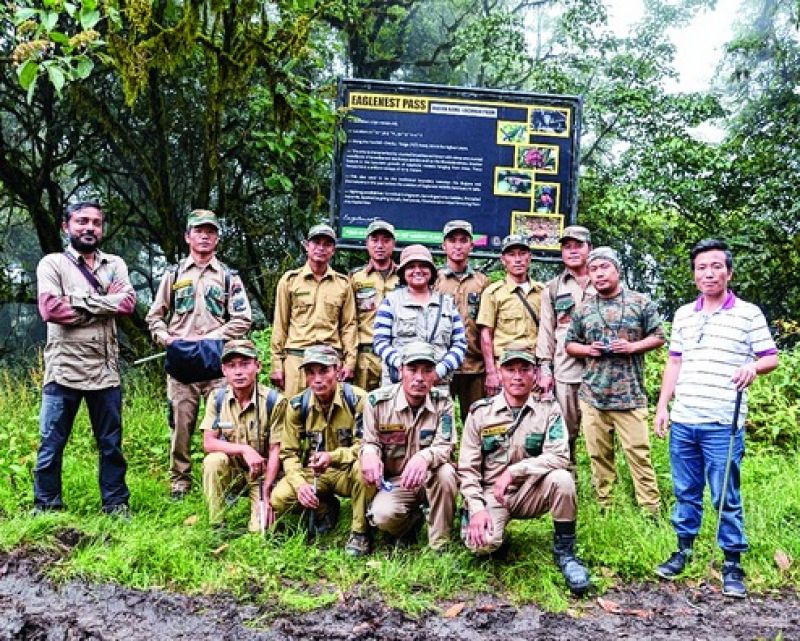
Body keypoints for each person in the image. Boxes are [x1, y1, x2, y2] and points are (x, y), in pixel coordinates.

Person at [653, 239, 779, 598]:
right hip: (685, 420)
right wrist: (663, 406)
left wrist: (752, 366)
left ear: (728, 272)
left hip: (723, 422)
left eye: (715, 266)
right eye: (701, 267)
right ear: (694, 274)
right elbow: (674, 361)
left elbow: (771, 356)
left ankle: (732, 563)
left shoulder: (748, 313)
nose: (708, 273)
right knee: (686, 491)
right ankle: (683, 550)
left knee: (725, 496)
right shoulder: (683, 314)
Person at [458, 347, 591, 595]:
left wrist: (516, 470)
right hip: (492, 495)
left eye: (524, 370)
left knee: (562, 479)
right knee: (483, 546)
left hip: (531, 490)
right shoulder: (480, 412)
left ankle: (566, 553)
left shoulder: (549, 408)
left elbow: (561, 455)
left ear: (534, 374)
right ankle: (478, 523)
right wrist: (476, 508)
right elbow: (467, 468)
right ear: (500, 373)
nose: (517, 376)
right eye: (510, 369)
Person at [33, 201, 136, 515]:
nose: (90, 228)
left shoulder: (115, 264)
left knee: (111, 445)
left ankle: (116, 504)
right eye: (82, 221)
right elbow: (51, 310)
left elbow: (129, 303)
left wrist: (77, 302)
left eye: (96, 222)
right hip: (63, 371)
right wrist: (105, 301)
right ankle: (47, 506)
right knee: (51, 445)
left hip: (106, 372)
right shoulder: (52, 264)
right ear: (66, 226)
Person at [146, 209, 252, 500]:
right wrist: (165, 337)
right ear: (188, 236)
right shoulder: (173, 275)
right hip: (182, 363)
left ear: (217, 237)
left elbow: (243, 318)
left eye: (210, 231)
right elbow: (155, 315)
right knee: (181, 425)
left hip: (216, 363)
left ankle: (228, 479)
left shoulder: (229, 277)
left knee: (225, 425)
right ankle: (180, 482)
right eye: (198, 230)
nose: (204, 236)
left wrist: (211, 337)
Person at [565, 247, 664, 515]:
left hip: (630, 396)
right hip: (594, 395)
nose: (599, 274)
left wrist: (633, 347)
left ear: (617, 270)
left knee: (639, 455)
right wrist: (588, 350)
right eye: (593, 269)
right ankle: (605, 505)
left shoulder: (640, 302)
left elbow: (659, 336)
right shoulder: (583, 309)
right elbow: (570, 344)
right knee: (598, 456)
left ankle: (650, 509)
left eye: (604, 268)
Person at [270, 345, 375, 556]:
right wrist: (300, 486)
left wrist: (333, 456)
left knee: (364, 467)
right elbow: (288, 453)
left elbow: (366, 446)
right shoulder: (298, 406)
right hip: (316, 473)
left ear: (337, 370)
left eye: (324, 371)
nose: (317, 379)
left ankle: (360, 532)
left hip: (347, 470)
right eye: (310, 372)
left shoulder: (358, 399)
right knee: (279, 498)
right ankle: (325, 508)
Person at [360, 341, 458, 551]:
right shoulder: (377, 402)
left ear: (435, 374)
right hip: (396, 481)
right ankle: (410, 524)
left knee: (447, 473)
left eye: (427, 371)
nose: (420, 378)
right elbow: (370, 441)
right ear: (400, 370)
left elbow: (445, 445)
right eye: (412, 370)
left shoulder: (443, 403)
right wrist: (368, 453)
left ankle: (440, 543)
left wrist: (424, 457)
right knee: (383, 516)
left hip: (429, 478)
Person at [199, 339, 286, 532]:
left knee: (260, 531)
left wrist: (267, 494)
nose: (238, 372)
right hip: (234, 471)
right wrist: (244, 449)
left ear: (257, 366)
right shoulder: (217, 398)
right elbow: (208, 442)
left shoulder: (274, 401)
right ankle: (217, 524)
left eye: (245, 364)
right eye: (232, 366)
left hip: (262, 475)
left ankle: (261, 506)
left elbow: (275, 451)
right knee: (213, 461)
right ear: (224, 370)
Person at [270, 224, 357, 397]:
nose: (321, 248)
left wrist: (349, 362)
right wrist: (277, 365)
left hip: (330, 360)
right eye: (316, 243)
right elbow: (280, 324)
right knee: (292, 414)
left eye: (327, 244)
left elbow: (349, 325)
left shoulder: (343, 284)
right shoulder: (290, 281)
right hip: (297, 358)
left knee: (330, 416)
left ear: (333, 249)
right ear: (306, 246)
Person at [536, 226, 595, 463]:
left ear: (589, 248)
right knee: (565, 432)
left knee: (598, 433)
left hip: (599, 369)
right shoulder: (553, 288)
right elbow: (546, 331)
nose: (572, 251)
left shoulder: (602, 280)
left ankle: (603, 492)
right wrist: (544, 369)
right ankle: (567, 481)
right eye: (567, 247)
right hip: (565, 370)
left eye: (578, 246)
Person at [374, 244, 466, 390]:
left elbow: (460, 344)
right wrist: (402, 366)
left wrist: (439, 371)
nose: (417, 271)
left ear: (431, 271)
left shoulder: (447, 304)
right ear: (403, 272)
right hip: (398, 385)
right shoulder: (391, 302)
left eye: (423, 266)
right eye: (411, 266)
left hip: (437, 385)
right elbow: (380, 342)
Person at [434, 220, 490, 420]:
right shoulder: (434, 280)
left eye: (463, 240)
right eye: (452, 240)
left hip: (474, 366)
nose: (458, 246)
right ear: (444, 245)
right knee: (439, 422)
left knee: (476, 422)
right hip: (441, 365)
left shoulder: (482, 282)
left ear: (471, 245)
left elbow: (487, 326)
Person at [478, 234, 544, 397]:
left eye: (522, 253)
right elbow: (486, 335)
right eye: (512, 254)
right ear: (503, 259)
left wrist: (544, 369)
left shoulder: (543, 292)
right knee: (502, 418)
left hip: (534, 368)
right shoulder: (493, 293)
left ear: (529, 257)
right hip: (505, 367)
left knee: (535, 417)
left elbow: (549, 334)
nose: (518, 259)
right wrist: (491, 372)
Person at [349, 220, 399, 392]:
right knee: (362, 411)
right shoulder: (355, 278)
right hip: (365, 356)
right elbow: (349, 321)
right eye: (374, 240)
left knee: (393, 412)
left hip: (396, 355)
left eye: (386, 240)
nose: (380, 245)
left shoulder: (405, 277)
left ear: (394, 244)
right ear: (367, 244)